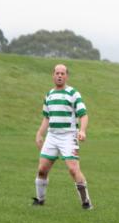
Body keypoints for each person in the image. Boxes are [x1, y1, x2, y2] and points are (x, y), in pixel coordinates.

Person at [32, 64, 93, 210]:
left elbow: (83, 115)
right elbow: (47, 117)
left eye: (62, 73)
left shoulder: (73, 93)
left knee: (73, 169)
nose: (59, 75)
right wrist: (40, 133)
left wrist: (82, 131)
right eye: (57, 73)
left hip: (69, 136)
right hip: (52, 136)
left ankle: (86, 202)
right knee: (42, 170)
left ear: (66, 76)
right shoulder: (49, 95)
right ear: (53, 75)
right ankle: (40, 200)